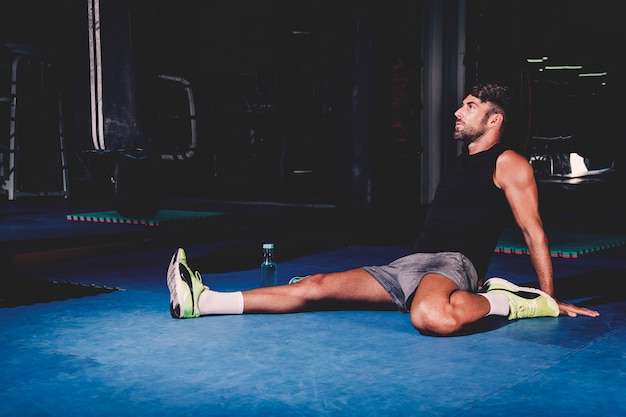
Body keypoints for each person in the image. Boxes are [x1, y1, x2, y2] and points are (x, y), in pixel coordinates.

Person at [167, 83, 600, 336]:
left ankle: (511, 301)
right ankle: (202, 302)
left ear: (494, 119)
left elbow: (533, 231)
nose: (457, 110)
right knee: (315, 285)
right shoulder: (463, 159)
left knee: (431, 317)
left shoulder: (509, 162)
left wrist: (549, 297)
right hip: (409, 264)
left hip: (454, 266)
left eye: (469, 106)